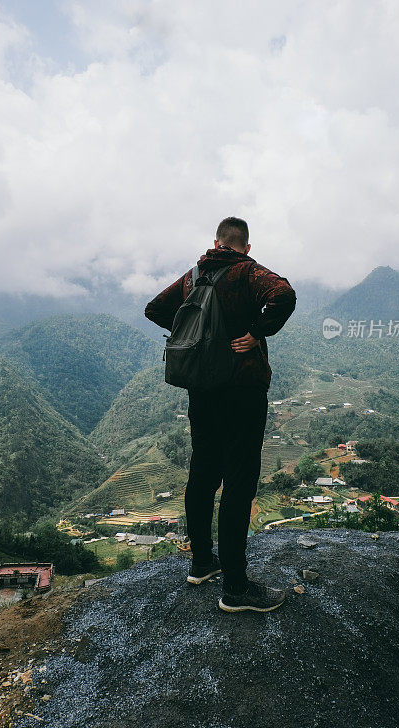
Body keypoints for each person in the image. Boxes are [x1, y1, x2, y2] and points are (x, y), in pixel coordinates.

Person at [144, 217, 296, 612]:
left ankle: (200, 563)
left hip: (202, 389)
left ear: (216, 242)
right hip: (242, 391)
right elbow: (284, 294)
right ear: (244, 246)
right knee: (240, 479)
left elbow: (155, 309)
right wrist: (257, 331)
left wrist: (193, 334)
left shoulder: (195, 276)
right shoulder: (247, 272)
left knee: (204, 471)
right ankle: (236, 587)